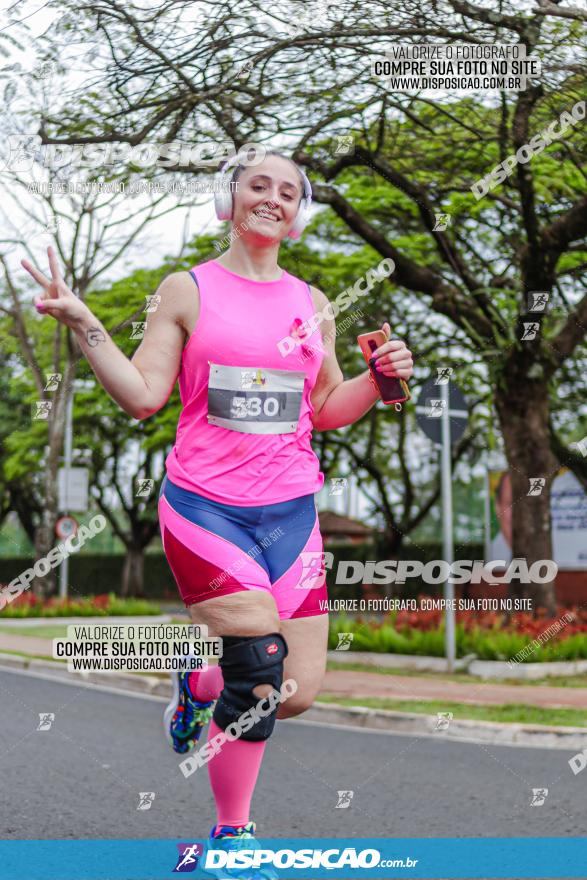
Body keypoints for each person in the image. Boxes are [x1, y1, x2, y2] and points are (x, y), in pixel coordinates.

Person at [23, 149, 414, 874]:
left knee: (291, 692)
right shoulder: (186, 288)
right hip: (206, 509)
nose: (271, 198)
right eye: (257, 185)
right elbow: (142, 395)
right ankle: (232, 834)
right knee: (260, 666)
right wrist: (83, 322)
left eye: (287, 192)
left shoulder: (311, 303)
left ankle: (197, 684)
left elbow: (325, 409)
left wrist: (378, 381)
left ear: (298, 216)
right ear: (227, 198)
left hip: (291, 513)